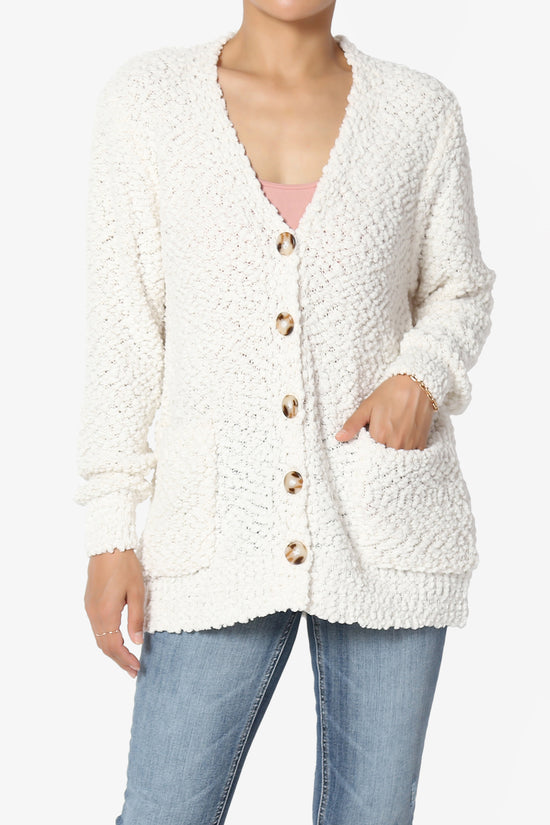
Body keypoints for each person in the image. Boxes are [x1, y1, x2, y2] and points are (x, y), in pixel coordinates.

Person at [74, 2, 496, 823]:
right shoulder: (147, 105)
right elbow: (123, 334)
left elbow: (461, 288)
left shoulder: (420, 113)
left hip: (385, 524)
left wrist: (420, 375)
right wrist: (109, 526)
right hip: (214, 531)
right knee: (165, 809)